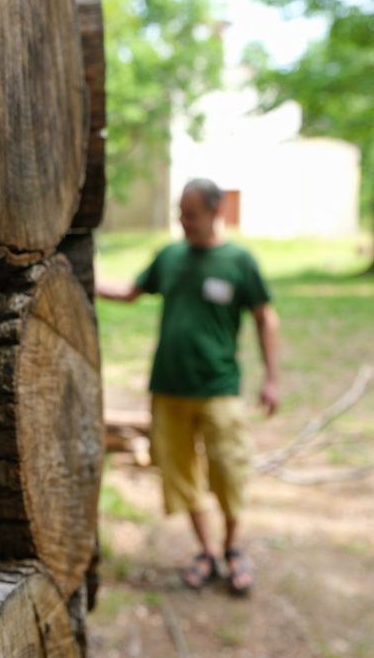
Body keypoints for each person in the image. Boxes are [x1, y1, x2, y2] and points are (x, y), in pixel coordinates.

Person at [97, 178, 280, 596]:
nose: (184, 222)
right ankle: (208, 552)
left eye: (191, 214)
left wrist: (271, 380)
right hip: (169, 388)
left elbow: (266, 318)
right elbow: (129, 293)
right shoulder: (170, 256)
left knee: (228, 471)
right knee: (180, 476)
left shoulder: (239, 262)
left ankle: (233, 548)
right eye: (181, 213)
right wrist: (84, 278)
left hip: (218, 388)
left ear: (216, 212)